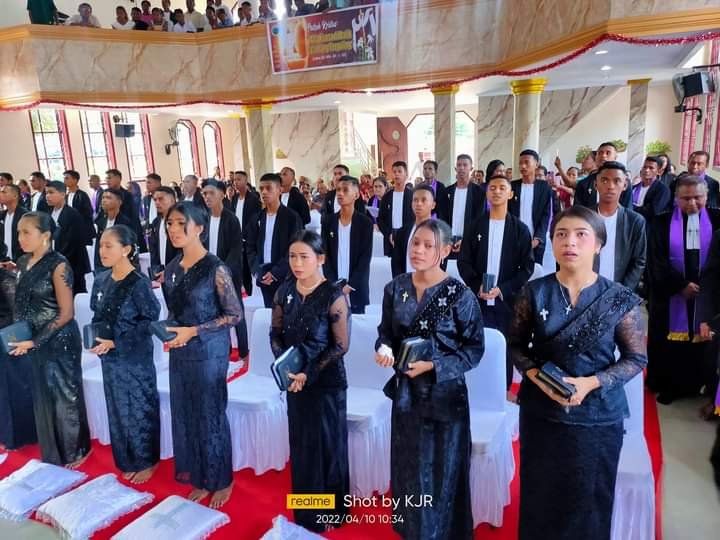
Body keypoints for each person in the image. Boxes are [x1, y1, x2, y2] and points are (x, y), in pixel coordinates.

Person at [509, 205, 646, 540]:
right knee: (540, 496)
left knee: (589, 501)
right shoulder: (533, 292)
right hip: (542, 413)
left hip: (597, 417)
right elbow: (516, 346)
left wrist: (592, 382)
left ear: (598, 244)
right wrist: (537, 377)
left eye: (581, 235)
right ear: (553, 243)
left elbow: (636, 358)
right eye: (561, 234)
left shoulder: (618, 299)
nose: (570, 242)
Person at [375, 219, 484, 539]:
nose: (418, 251)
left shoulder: (460, 295)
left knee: (443, 470)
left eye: (428, 245)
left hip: (445, 398)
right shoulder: (395, 288)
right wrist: (384, 349)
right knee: (409, 466)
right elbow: (386, 334)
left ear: (446, 251)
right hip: (407, 396)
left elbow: (474, 350)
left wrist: (433, 366)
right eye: (415, 243)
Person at [162, 202, 243, 508]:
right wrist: (168, 331)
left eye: (180, 223)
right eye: (169, 223)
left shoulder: (215, 268)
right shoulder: (172, 268)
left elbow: (234, 315)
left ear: (199, 228)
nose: (173, 229)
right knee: (186, 413)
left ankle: (221, 480)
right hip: (181, 351)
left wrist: (194, 331)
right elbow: (174, 311)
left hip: (209, 351)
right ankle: (199, 475)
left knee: (210, 414)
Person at [270, 230, 350, 532]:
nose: (297, 263)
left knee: (328, 446)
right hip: (295, 382)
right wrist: (286, 370)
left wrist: (309, 373)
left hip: (326, 382)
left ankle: (333, 512)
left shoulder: (333, 296)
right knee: (302, 446)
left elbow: (340, 346)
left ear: (320, 259)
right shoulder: (284, 291)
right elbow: (275, 334)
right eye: (293, 256)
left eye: (304, 257)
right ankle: (308, 512)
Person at [9, 212, 91, 467]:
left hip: (60, 340)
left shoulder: (59, 265)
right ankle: (54, 449)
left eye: (26, 232)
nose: (20, 237)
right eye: (19, 232)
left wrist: (35, 341)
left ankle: (77, 449)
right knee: (42, 395)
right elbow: (23, 300)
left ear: (45, 235)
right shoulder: (22, 262)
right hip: (33, 339)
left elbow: (67, 313)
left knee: (65, 395)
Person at [89, 225, 161, 484]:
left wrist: (117, 341)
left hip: (135, 358)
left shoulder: (139, 283)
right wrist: (95, 339)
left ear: (126, 249)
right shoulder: (101, 280)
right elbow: (97, 315)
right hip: (110, 358)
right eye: (101, 246)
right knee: (117, 408)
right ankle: (127, 459)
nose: (102, 251)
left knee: (139, 408)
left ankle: (147, 460)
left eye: (109, 246)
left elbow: (150, 321)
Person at [647, 175, 720, 404]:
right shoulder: (661, 222)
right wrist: (679, 285)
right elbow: (655, 260)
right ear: (676, 198)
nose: (692, 203)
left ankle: (698, 384)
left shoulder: (717, 219)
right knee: (671, 342)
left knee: (703, 343)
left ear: (706, 196)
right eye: (686, 198)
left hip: (708, 295)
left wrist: (706, 288)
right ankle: (670, 385)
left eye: (698, 197)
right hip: (672, 294)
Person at [458, 173, 533, 390]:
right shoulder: (474, 226)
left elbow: (526, 268)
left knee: (505, 348)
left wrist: (503, 289)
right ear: (486, 192)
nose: (497, 191)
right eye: (492, 188)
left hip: (506, 301)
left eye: (502, 188)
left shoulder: (520, 230)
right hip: (478, 300)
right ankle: (476, 390)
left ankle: (503, 390)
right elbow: (464, 262)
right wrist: (476, 285)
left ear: (510, 194)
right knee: (475, 344)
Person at [201, 179, 249, 362]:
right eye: (205, 193)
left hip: (229, 275)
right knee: (217, 313)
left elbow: (236, 250)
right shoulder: (204, 219)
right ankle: (225, 348)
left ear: (222, 194)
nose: (207, 197)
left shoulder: (231, 219)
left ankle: (244, 350)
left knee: (236, 312)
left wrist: (222, 272)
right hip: (208, 274)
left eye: (211, 193)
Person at [0, 241, 36, 452]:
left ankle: (16, 436)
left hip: (9, 340)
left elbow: (19, 313)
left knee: (13, 388)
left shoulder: (7, 279)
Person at [246, 173, 302, 308]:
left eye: (268, 188)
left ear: (280, 190)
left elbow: (295, 248)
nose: (264, 192)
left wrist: (276, 272)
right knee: (270, 314)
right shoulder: (257, 218)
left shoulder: (291, 217)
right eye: (261, 189)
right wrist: (257, 271)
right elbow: (250, 247)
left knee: (287, 313)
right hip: (263, 276)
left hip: (285, 276)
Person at [321, 175, 373, 314]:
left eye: (345, 190)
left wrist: (351, 285)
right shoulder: (328, 222)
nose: (340, 193)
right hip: (333, 287)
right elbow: (324, 255)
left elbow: (365, 258)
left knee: (356, 324)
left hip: (356, 287)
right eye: (338, 190)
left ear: (356, 195)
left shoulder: (365, 223)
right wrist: (333, 283)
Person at [593, 161, 646, 291]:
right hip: (586, 290)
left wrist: (623, 291)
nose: (610, 186)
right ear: (596, 184)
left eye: (617, 181)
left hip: (619, 290)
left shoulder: (635, 221)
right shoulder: (583, 217)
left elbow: (639, 260)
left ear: (625, 185)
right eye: (604, 180)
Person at [45, 181, 92, 295]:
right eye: (46, 193)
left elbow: (74, 243)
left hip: (73, 262)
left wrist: (58, 260)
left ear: (62, 194)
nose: (47, 196)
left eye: (51, 192)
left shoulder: (72, 214)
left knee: (76, 293)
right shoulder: (49, 213)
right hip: (54, 261)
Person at [510, 149, 555, 263]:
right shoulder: (512, 186)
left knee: (535, 270)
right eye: (520, 163)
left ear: (536, 164)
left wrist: (537, 239)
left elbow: (546, 215)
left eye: (526, 162)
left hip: (535, 242)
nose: (523, 166)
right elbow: (508, 213)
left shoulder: (544, 187)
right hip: (514, 241)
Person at [391, 185, 436, 277]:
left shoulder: (440, 232)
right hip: (405, 283)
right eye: (415, 200)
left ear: (433, 205)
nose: (419, 204)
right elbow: (396, 263)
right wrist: (401, 282)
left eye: (424, 200)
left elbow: (441, 265)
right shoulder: (402, 232)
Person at [229, 171, 261, 295]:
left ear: (245, 181)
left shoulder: (253, 199)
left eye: (239, 179)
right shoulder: (234, 198)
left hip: (248, 239)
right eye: (234, 180)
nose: (236, 182)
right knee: (240, 269)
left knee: (248, 268)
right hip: (237, 239)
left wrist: (246, 235)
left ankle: (250, 293)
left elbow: (254, 221)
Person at [447, 154, 485, 257]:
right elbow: (444, 217)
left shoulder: (479, 192)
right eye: (459, 165)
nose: (461, 168)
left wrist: (466, 240)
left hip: (469, 241)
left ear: (471, 168)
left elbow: (479, 219)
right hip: (449, 242)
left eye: (465, 165)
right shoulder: (448, 191)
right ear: (455, 168)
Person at [574, 142, 632, 209]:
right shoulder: (584, 183)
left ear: (615, 157)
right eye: (600, 153)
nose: (603, 156)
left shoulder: (623, 182)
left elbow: (628, 209)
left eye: (608, 153)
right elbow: (577, 211)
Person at [378, 161, 414, 257]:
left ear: (406, 174)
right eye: (394, 172)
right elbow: (381, 219)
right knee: (394, 263)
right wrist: (388, 233)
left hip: (409, 235)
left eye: (399, 171)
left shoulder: (412, 196)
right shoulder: (387, 197)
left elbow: (416, 218)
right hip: (392, 235)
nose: (396, 174)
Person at [94, 189, 134, 273]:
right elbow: (98, 246)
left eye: (108, 198)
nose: (104, 200)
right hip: (102, 268)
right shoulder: (100, 222)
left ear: (119, 202)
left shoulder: (125, 223)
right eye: (103, 198)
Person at [148, 186, 179, 281]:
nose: (157, 202)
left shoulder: (180, 222)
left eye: (161, 199)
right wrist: (155, 270)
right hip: (161, 273)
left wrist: (170, 270)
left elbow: (182, 252)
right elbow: (153, 250)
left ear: (172, 200)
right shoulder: (156, 222)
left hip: (177, 272)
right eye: (155, 200)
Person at [632, 156, 671, 225]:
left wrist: (631, 207)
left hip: (649, 227)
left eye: (651, 168)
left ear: (659, 172)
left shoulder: (662, 189)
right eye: (645, 167)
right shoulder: (634, 188)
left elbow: (653, 210)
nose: (646, 170)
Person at [63, 170, 95, 245]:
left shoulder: (82, 195)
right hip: (70, 229)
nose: (64, 180)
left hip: (82, 229)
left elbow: (88, 213)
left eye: (67, 178)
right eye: (64, 178)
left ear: (75, 180)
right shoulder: (66, 195)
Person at [0, 185, 28, 262]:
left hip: (20, 260)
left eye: (3, 192)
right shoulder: (2, 215)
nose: (0, 194)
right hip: (3, 260)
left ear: (15, 196)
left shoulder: (25, 216)